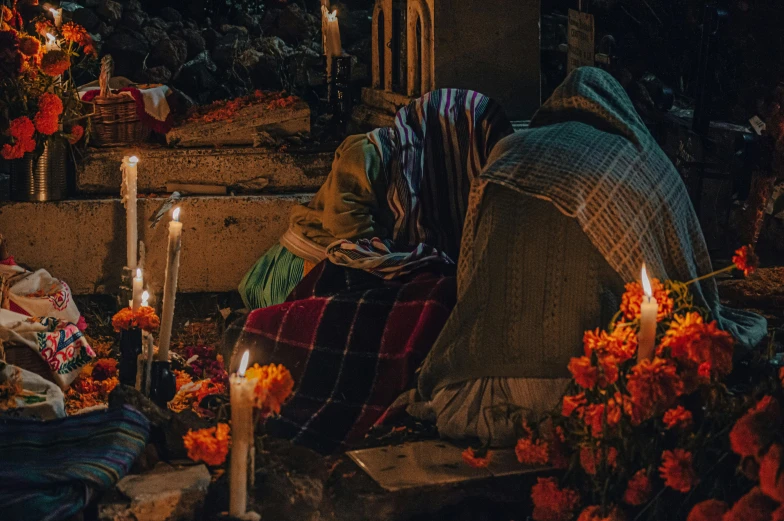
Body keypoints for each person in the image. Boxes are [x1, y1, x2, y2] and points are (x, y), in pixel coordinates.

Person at [412, 67, 768, 446]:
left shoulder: (508, 152)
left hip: (479, 391)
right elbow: (679, 259)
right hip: (590, 388)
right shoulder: (638, 161)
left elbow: (470, 276)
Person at [234, 90, 513, 453]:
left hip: (370, 259)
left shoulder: (437, 178)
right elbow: (348, 233)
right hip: (305, 264)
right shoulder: (367, 152)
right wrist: (412, 260)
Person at [239, 89, 513, 310]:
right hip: (314, 262)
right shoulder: (369, 153)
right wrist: (400, 263)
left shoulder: (447, 178)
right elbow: (345, 227)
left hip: (374, 260)